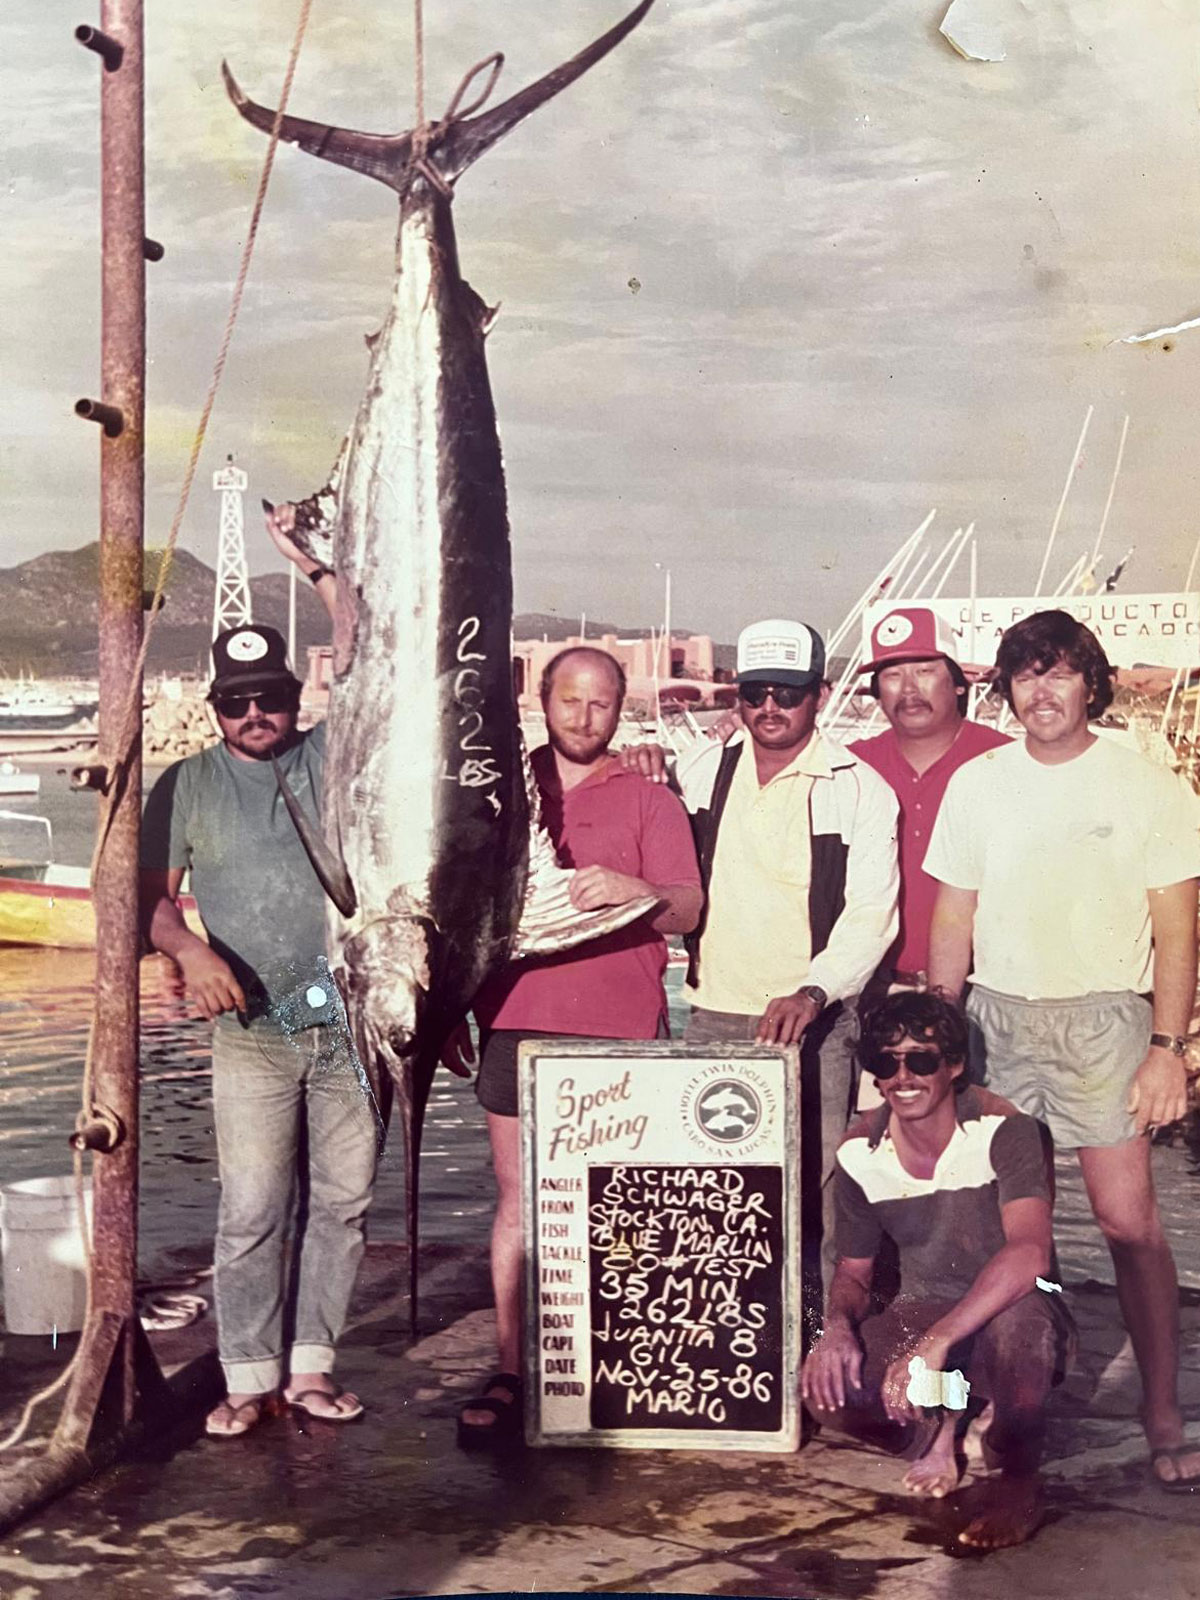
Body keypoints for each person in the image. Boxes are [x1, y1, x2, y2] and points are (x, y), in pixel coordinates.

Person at [925, 608, 1200, 1493]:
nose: (1043, 691)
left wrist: (1168, 1047)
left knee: (1128, 1225)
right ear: (1006, 689)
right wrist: (939, 1031)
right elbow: (954, 914)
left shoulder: (1146, 782)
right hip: (996, 1023)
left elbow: (1176, 922)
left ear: (1091, 684)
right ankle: (991, 1405)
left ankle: (1162, 1413)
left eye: (1061, 673)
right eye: (1026, 675)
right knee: (992, 1231)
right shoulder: (978, 782)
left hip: (1106, 1024)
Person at [141, 517, 379, 1438]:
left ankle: (311, 1367)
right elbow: (150, 904)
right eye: (237, 700)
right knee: (250, 1210)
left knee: (346, 1205)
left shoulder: (328, 755)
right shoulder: (186, 786)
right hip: (249, 1035)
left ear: (292, 696)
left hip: (349, 1024)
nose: (255, 714)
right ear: (215, 707)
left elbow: (363, 658)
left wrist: (318, 571)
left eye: (269, 697)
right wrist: (191, 952)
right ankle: (247, 1373)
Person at [457, 645, 703, 1445]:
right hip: (513, 1022)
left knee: (619, 1205)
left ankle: (613, 1368)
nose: (584, 717)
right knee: (519, 1199)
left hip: (620, 1026)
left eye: (601, 704)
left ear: (620, 707)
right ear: (542, 697)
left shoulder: (650, 799)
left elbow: (689, 912)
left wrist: (641, 893)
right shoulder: (497, 788)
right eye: (570, 700)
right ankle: (512, 1367)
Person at [673, 618, 899, 1307]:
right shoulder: (700, 770)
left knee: (823, 1189)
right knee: (716, 1186)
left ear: (820, 695)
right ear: (738, 695)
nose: (771, 708)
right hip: (713, 1015)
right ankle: (732, 1335)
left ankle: (828, 1343)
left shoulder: (859, 786)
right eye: (756, 692)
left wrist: (813, 992)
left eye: (789, 694)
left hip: (816, 1024)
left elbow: (872, 915)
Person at [801, 991, 1073, 1550]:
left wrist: (935, 1341)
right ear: (873, 1075)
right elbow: (854, 1272)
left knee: (1018, 1330)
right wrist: (834, 1331)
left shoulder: (1007, 1131)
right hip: (925, 1310)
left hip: (1012, 1305)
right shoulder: (858, 1153)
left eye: (921, 1060)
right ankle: (944, 1427)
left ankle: (1018, 1480)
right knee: (823, 1393)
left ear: (953, 1066)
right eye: (886, 1062)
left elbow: (1030, 1255)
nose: (904, 1076)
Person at [849, 606, 1009, 993]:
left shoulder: (1006, 761)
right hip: (875, 991)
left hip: (986, 992)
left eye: (924, 671)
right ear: (877, 693)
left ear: (958, 683)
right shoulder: (850, 766)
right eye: (892, 675)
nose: (908, 689)